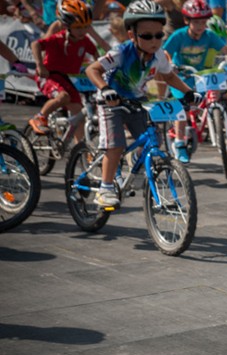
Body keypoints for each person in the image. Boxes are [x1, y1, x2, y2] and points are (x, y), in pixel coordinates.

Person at [86, 0, 201, 208]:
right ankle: (105, 187)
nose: (154, 41)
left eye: (159, 35)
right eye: (147, 36)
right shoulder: (121, 52)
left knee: (152, 138)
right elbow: (92, 70)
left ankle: (139, 172)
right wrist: (105, 89)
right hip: (111, 101)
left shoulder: (159, 55)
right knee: (116, 145)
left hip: (137, 99)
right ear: (132, 35)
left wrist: (189, 93)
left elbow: (170, 77)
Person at [163, 0, 227, 163]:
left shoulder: (209, 35)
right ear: (187, 21)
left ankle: (207, 125)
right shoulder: (179, 36)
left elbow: (225, 49)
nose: (200, 26)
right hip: (181, 77)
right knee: (183, 108)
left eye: (203, 22)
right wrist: (170, 64)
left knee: (209, 99)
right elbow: (165, 52)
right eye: (196, 22)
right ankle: (179, 143)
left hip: (199, 77)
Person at [28, 0, 109, 135]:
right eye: (78, 28)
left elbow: (96, 53)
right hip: (50, 76)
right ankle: (39, 117)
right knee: (64, 97)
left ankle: (81, 150)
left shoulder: (84, 40)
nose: (83, 31)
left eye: (85, 27)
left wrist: (102, 68)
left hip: (67, 79)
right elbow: (36, 44)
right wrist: (40, 65)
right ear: (67, 26)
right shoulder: (58, 37)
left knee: (80, 113)